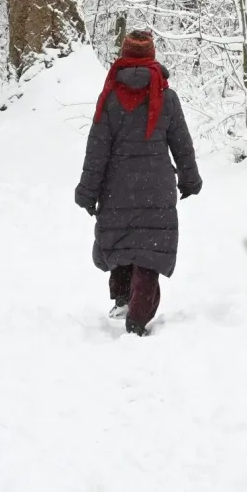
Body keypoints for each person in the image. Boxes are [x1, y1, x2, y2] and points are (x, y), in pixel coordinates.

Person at [74, 28, 201, 336]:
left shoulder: (110, 97)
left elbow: (97, 149)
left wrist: (88, 191)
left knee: (122, 241)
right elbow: (182, 144)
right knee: (149, 251)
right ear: (151, 56)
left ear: (125, 55)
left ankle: (122, 298)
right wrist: (190, 179)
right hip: (156, 187)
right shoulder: (166, 97)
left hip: (116, 187)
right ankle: (138, 316)